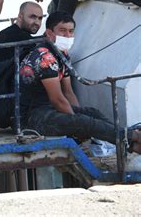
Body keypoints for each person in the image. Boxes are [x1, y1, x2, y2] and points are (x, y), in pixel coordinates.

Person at [19, 11, 141, 153]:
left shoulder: (61, 54)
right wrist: (77, 126)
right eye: (62, 31)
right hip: (33, 117)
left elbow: (68, 93)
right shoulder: (45, 57)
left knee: (92, 113)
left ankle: (129, 144)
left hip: (48, 109)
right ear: (49, 33)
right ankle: (133, 136)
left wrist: (79, 119)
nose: (68, 36)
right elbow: (58, 99)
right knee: (83, 122)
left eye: (71, 31)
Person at [0, 1, 43, 71]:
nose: (37, 22)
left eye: (40, 18)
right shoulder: (18, 35)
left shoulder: (9, 32)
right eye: (32, 17)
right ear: (20, 16)